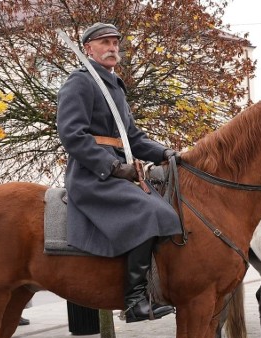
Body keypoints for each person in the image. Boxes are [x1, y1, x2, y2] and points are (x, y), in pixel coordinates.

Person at [57, 23, 180, 322]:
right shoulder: (80, 82)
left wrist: (165, 153)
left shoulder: (114, 85)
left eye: (115, 42)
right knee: (151, 212)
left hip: (120, 170)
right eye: (105, 42)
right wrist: (111, 166)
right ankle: (135, 300)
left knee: (167, 205)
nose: (113, 47)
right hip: (91, 174)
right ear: (88, 49)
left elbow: (133, 138)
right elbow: (72, 134)